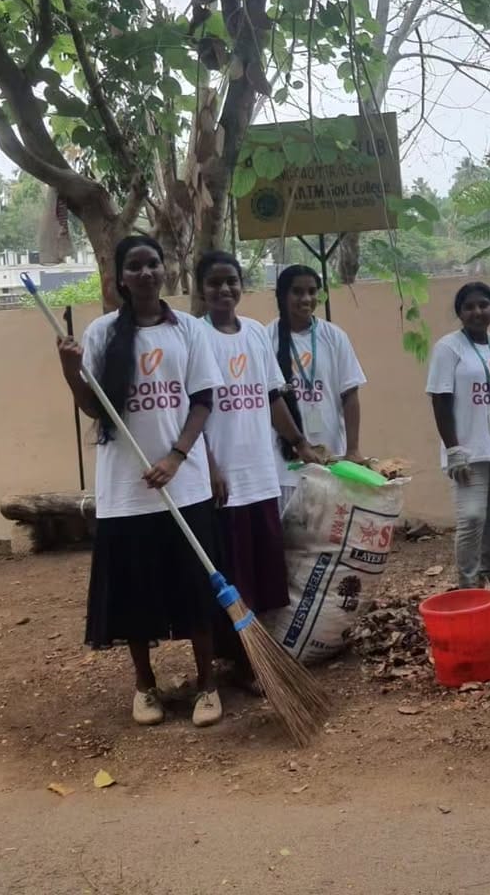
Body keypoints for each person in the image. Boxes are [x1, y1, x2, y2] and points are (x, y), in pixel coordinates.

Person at [55, 235, 225, 728]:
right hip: (126, 490)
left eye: (153, 263)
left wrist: (176, 457)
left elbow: (202, 401)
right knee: (134, 593)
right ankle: (145, 686)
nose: (147, 272)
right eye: (135, 266)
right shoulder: (103, 332)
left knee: (196, 589)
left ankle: (207, 684)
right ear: (120, 279)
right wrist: (70, 372)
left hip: (184, 486)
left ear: (164, 269)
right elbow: (95, 408)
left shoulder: (188, 329)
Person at [196, 251, 323, 687]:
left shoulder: (254, 333)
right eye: (214, 282)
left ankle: (263, 652)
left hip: (261, 475)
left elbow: (272, 398)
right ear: (201, 289)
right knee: (235, 575)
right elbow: (192, 410)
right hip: (223, 481)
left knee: (266, 571)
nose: (224, 289)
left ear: (241, 285)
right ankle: (243, 659)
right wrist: (209, 466)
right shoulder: (196, 336)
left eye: (231, 280)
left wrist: (300, 443)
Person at [427, 282, 490, 588]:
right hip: (468, 451)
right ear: (460, 312)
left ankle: (485, 575)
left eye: (483, 305)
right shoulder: (448, 348)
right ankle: (467, 585)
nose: (477, 312)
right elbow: (440, 400)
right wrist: (453, 449)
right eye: (468, 307)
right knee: (471, 518)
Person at [268, 265, 367, 510]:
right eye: (297, 292)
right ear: (282, 295)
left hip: (330, 458)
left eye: (312, 292)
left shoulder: (334, 336)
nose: (306, 299)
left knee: (329, 529)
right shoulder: (266, 336)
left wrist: (353, 449)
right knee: (290, 530)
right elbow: (268, 400)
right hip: (284, 463)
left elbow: (350, 394)